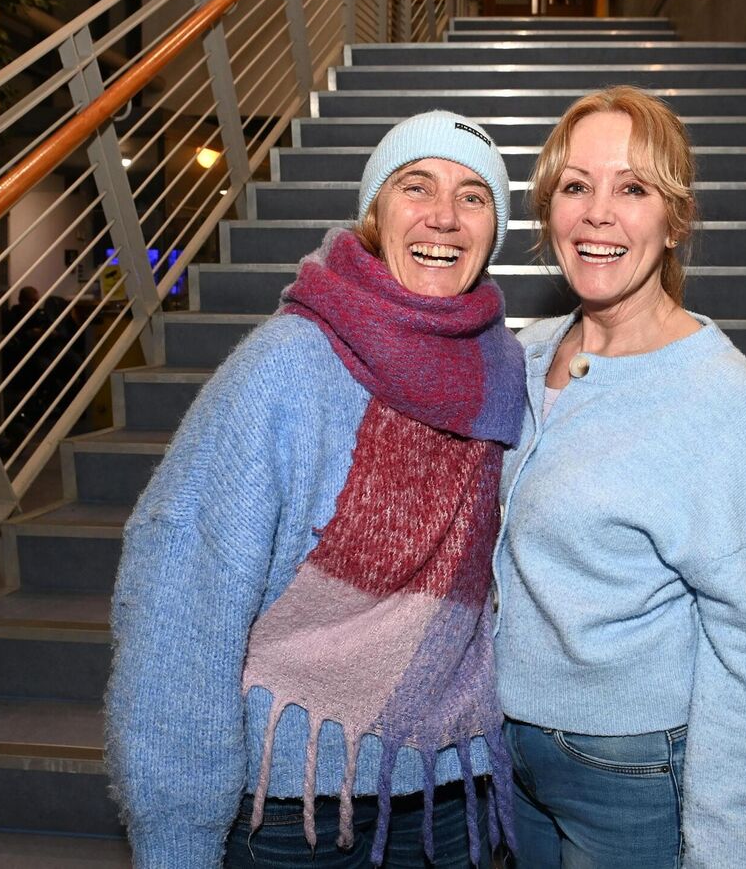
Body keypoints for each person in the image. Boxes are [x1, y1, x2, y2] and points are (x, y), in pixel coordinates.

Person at [106, 111, 524, 868]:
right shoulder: (286, 367)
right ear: (375, 212)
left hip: (447, 785)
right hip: (288, 798)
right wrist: (177, 833)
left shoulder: (502, 370)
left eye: (473, 197)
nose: (444, 216)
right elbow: (182, 605)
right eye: (416, 186)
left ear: (493, 230)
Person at [492, 86, 746, 868]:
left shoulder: (718, 398)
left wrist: (730, 851)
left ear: (674, 221)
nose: (598, 214)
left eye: (633, 189)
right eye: (576, 186)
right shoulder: (527, 352)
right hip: (507, 755)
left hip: (628, 771)